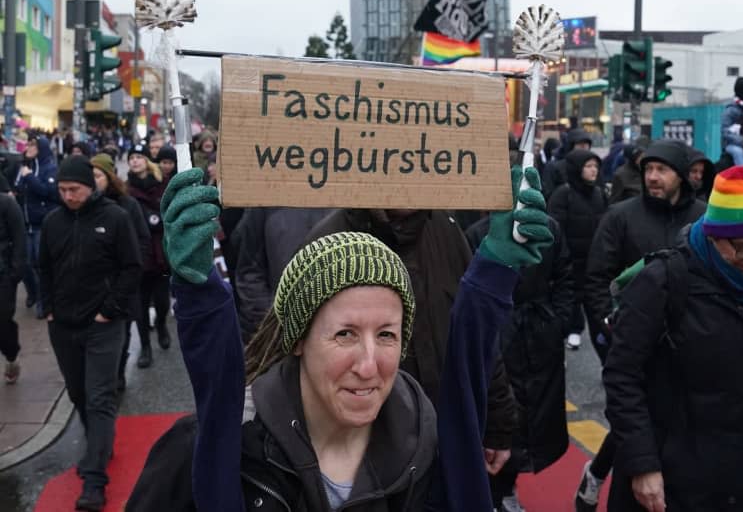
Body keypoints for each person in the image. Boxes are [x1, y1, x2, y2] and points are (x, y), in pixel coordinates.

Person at [127, 165, 552, 512]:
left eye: (386, 334)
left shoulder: (433, 456)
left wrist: (496, 268)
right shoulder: (209, 451)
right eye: (345, 334)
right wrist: (199, 289)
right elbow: (215, 379)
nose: (369, 365)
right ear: (298, 338)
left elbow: (470, 364)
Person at [604, 165, 743, 511]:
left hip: (733, 476)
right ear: (713, 235)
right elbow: (622, 376)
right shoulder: (664, 280)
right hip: (668, 472)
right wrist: (643, 464)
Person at [303, 206, 517, 469]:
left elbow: (477, 334)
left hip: (448, 444)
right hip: (367, 461)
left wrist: (497, 420)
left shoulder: (445, 227)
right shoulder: (326, 242)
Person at [575, 140, 706, 511]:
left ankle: (599, 471)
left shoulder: (703, 217)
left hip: (685, 344)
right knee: (637, 409)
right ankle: (620, 481)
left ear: (681, 175)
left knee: (670, 415)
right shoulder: (620, 216)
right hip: (628, 341)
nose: (652, 176)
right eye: (648, 169)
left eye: (661, 170)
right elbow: (597, 276)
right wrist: (607, 328)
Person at [40, 155, 141, 511]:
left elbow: (132, 267)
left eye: (75, 189)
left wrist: (108, 310)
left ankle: (95, 480)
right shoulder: (53, 222)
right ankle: (101, 444)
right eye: (62, 189)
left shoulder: (115, 217)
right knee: (78, 393)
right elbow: (44, 268)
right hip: (63, 326)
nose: (68, 196)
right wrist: (47, 307)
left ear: (90, 186)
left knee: (100, 397)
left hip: (103, 326)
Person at [466, 213, 573, 512]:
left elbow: (565, 275)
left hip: (538, 335)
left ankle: (508, 486)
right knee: (499, 417)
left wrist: (558, 323)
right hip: (498, 336)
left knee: (532, 417)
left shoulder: (549, 227)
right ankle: (495, 491)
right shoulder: (478, 232)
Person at [91, 153, 150, 390]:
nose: (92, 181)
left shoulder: (128, 205)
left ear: (109, 176)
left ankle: (118, 374)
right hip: (93, 286)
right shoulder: (84, 206)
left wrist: (134, 270)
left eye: (97, 175)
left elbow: (143, 241)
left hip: (122, 284)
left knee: (121, 333)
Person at [232, 206, 333, 343]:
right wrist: (272, 327)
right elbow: (250, 272)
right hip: (276, 337)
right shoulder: (266, 200)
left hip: (338, 333)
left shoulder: (352, 197)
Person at [547, 149, 607, 350]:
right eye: (588, 166)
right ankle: (570, 334)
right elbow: (555, 228)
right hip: (570, 261)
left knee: (596, 306)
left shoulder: (599, 194)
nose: (593, 171)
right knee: (570, 301)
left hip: (594, 260)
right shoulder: (563, 194)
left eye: (596, 166)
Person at [127, 143, 170, 367]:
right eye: (131, 157)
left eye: (139, 157)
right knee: (139, 305)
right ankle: (145, 347)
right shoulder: (126, 190)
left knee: (162, 301)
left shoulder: (161, 185)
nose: (134, 161)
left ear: (147, 161)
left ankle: (162, 324)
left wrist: (157, 220)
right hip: (138, 254)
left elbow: (169, 213)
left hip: (161, 254)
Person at [14, 135, 59, 319]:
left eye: (33, 145)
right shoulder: (26, 167)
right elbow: (18, 188)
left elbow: (48, 192)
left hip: (42, 224)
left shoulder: (50, 168)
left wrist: (30, 177)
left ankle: (43, 301)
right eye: (28, 144)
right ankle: (33, 293)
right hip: (25, 223)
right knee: (24, 264)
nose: (29, 148)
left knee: (41, 264)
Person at [0, 172, 25, 384]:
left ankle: (11, 355)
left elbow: (19, 237)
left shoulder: (7, 204)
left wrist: (15, 271)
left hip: (3, 274)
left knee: (2, 320)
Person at [542, 129, 593, 198]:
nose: (584, 147)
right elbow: (548, 193)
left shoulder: (593, 166)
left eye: (586, 144)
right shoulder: (554, 167)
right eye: (580, 144)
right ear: (571, 146)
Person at [609, 137, 650, 205]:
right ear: (634, 158)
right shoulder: (620, 175)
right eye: (641, 157)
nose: (644, 160)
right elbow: (614, 202)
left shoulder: (650, 171)